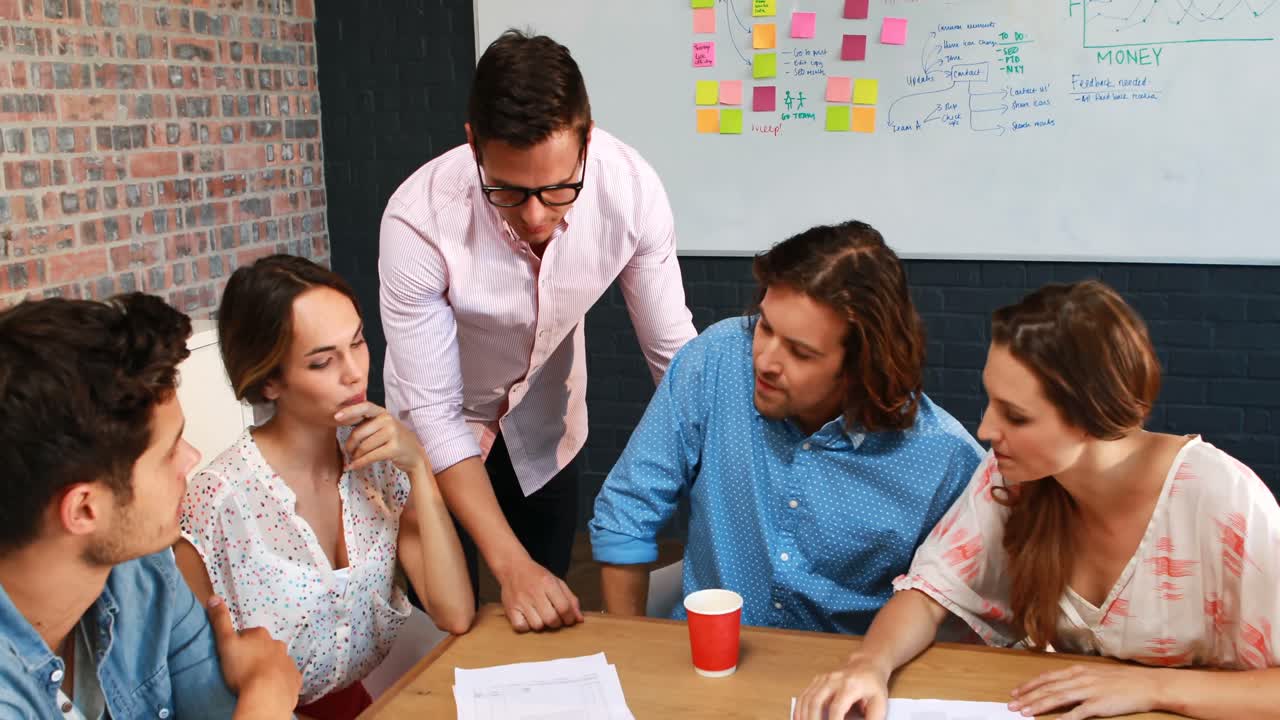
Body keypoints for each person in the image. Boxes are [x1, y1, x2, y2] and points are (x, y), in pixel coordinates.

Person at [797, 280, 1280, 720]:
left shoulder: (1221, 500)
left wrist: (1152, 686)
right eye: (990, 401)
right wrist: (868, 665)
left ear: (1092, 416)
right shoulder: (1014, 475)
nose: (986, 431)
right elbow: (928, 595)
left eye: (1017, 416)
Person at [378, 29, 698, 633]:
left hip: (544, 425)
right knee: (443, 624)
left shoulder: (630, 190)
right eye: (508, 190)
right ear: (473, 143)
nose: (535, 216)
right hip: (436, 426)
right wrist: (508, 564)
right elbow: (438, 413)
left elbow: (675, 359)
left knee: (543, 608)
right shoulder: (418, 218)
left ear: (587, 138)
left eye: (558, 190)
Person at [589, 221, 984, 633]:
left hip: (843, 676)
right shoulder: (718, 358)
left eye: (800, 352)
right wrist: (627, 646)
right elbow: (628, 513)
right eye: (765, 326)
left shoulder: (943, 457)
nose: (765, 361)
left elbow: (984, 602)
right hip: (709, 657)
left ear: (861, 367)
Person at [175, 255, 474, 720]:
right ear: (270, 380)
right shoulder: (216, 502)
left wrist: (419, 470)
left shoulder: (380, 465)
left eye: (357, 342)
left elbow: (453, 611)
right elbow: (192, 690)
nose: (355, 372)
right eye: (322, 361)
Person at [0, 293, 300, 719]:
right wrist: (266, 694)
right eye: (168, 452)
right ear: (84, 509)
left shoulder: (142, 573)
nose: (192, 458)